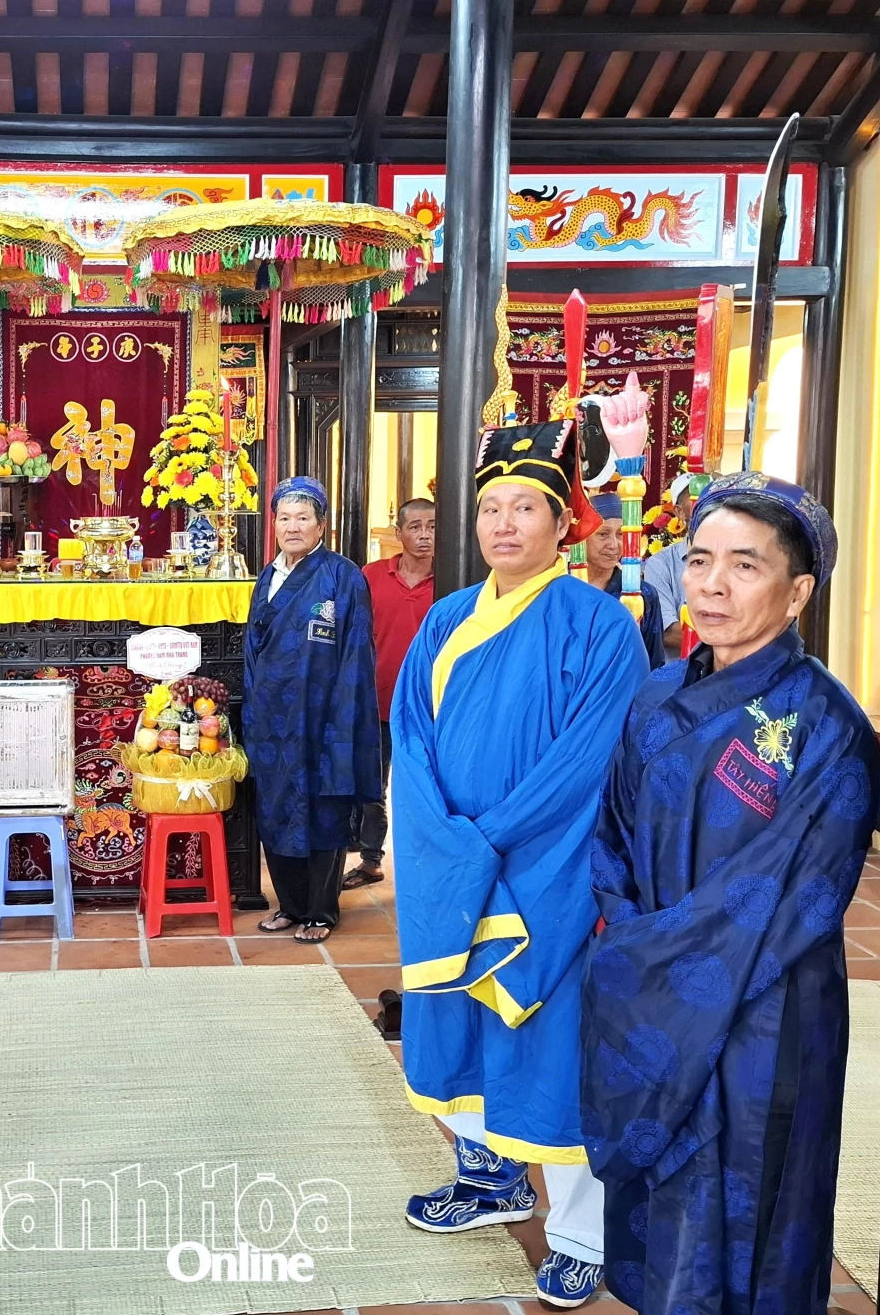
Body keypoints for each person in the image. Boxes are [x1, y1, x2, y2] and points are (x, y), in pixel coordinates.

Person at [582, 474, 880, 1315]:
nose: (710, 585)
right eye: (700, 559)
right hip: (652, 1003)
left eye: (744, 567)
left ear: (798, 593)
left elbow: (793, 897)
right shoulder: (655, 697)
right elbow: (610, 842)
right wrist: (636, 960)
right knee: (664, 1215)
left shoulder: (829, 729)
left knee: (758, 1215)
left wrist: (647, 965)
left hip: (767, 1015)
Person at [395, 419, 647, 1309]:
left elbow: (588, 760)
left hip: (548, 861)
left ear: (561, 521)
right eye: (491, 507)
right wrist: (442, 843)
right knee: (450, 1024)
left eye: (525, 507)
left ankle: (581, 1230)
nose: (504, 524)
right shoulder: (446, 619)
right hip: (452, 858)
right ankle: (486, 1176)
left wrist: (486, 841)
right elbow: (411, 743)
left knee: (551, 1035)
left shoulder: (599, 626)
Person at [242, 475, 381, 944]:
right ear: (274, 525)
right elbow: (251, 651)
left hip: (324, 717)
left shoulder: (343, 576)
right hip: (273, 718)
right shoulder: (268, 576)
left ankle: (322, 911)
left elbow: (356, 653)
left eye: (304, 518)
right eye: (285, 518)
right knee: (277, 808)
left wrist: (346, 717)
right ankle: (290, 905)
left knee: (323, 810)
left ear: (322, 526)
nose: (293, 526)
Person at [348, 498, 436, 889]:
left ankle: (425, 867)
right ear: (398, 533)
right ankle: (370, 860)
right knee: (372, 786)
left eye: (433, 526)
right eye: (415, 526)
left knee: (424, 787)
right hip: (376, 700)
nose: (424, 535)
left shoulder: (456, 577)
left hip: (430, 705)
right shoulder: (370, 576)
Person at [581, 491, 665, 671]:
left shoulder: (643, 594)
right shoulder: (561, 588)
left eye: (620, 534)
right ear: (582, 538)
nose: (613, 544)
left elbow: (654, 664)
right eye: (603, 534)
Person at [640, 476, 696, 656]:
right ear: (679, 512)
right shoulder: (661, 564)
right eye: (696, 498)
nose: (707, 506)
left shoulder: (735, 559)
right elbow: (669, 633)